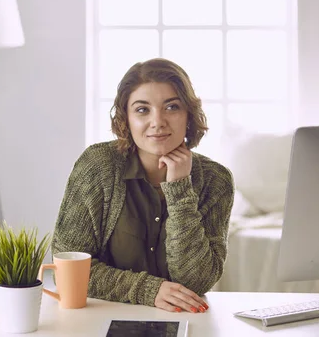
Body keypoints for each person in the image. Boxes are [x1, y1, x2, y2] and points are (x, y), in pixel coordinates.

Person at [51, 58, 235, 314]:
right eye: (142, 109)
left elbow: (196, 282)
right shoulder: (97, 166)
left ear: (189, 114)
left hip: (186, 320)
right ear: (125, 117)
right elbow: (68, 267)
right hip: (101, 315)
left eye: (171, 107)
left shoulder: (216, 180)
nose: (158, 121)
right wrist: (147, 289)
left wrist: (180, 188)